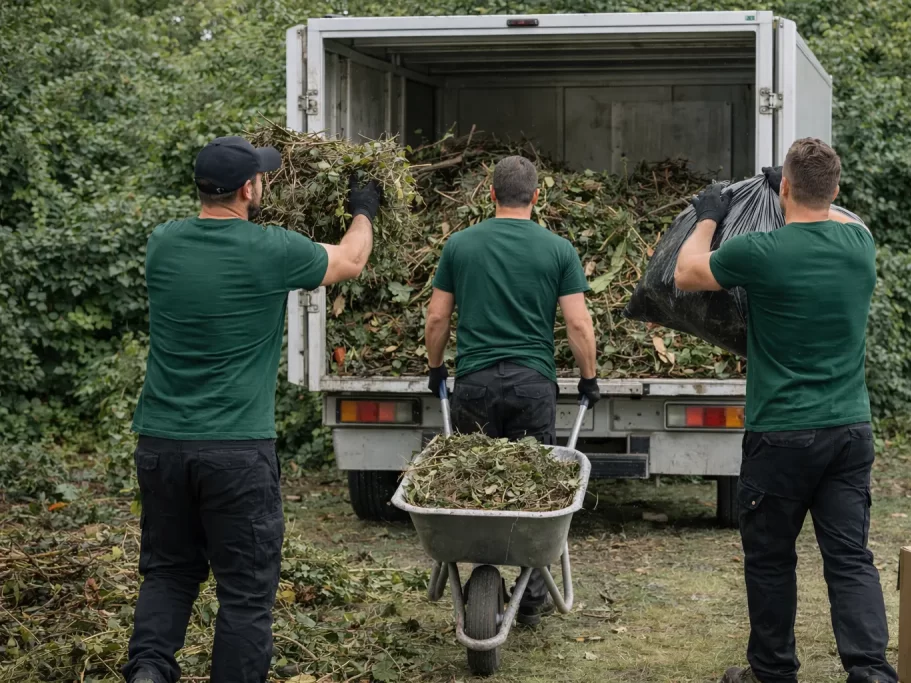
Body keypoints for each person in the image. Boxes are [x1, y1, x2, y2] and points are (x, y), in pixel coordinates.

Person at [123, 136, 381, 683]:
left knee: (168, 572)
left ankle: (148, 672)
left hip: (161, 445)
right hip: (236, 452)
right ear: (248, 189)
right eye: (260, 177)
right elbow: (352, 261)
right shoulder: (271, 250)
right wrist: (364, 208)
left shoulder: (162, 243)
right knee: (244, 592)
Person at [673, 138, 898, 683]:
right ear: (838, 190)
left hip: (781, 435)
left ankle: (772, 673)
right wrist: (798, 189)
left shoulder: (762, 251)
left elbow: (686, 274)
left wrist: (709, 216)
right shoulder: (860, 245)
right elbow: (844, 216)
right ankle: (870, 673)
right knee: (850, 558)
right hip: (849, 431)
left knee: (772, 560)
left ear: (786, 188)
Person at [423, 154, 600, 625]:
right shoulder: (558, 250)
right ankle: (533, 597)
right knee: (536, 493)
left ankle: (477, 569)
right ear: (536, 197)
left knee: (475, 485)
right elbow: (578, 324)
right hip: (532, 383)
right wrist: (589, 377)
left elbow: (437, 316)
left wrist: (436, 367)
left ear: (490, 193)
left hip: (476, 382)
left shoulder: (460, 246)